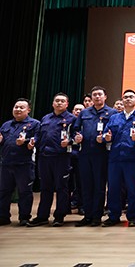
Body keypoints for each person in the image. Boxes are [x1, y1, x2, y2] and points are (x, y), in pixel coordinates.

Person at [28, 93, 77, 227]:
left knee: (62, 188)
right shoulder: (45, 118)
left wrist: (70, 141)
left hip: (61, 158)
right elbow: (38, 135)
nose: (59, 103)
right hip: (44, 157)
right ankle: (42, 216)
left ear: (67, 104)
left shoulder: (72, 119)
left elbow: (77, 136)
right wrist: (34, 141)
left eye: (62, 101)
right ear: (53, 103)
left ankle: (59, 216)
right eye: (57, 101)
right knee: (45, 188)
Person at [101, 90, 135, 227]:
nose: (128, 99)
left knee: (132, 189)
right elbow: (106, 134)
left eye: (131, 97)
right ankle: (113, 216)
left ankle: (132, 217)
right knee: (113, 189)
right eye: (125, 97)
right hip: (115, 158)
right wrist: (106, 137)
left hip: (132, 158)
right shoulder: (114, 118)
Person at [72, 86, 118, 226]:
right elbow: (75, 129)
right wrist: (77, 136)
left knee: (99, 186)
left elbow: (116, 132)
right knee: (86, 185)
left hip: (102, 154)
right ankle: (87, 215)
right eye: (94, 95)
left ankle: (97, 216)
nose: (97, 97)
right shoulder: (84, 113)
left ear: (105, 97)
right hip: (85, 154)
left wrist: (107, 138)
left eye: (100, 94)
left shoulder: (112, 113)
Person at [0, 99, 40, 226]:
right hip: (6, 163)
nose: (18, 109)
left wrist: (27, 141)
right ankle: (3, 216)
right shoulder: (6, 125)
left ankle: (24, 217)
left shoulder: (35, 124)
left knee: (25, 192)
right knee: (3, 191)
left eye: (22, 108)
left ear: (28, 110)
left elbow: (37, 139)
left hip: (24, 164)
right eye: (16, 107)